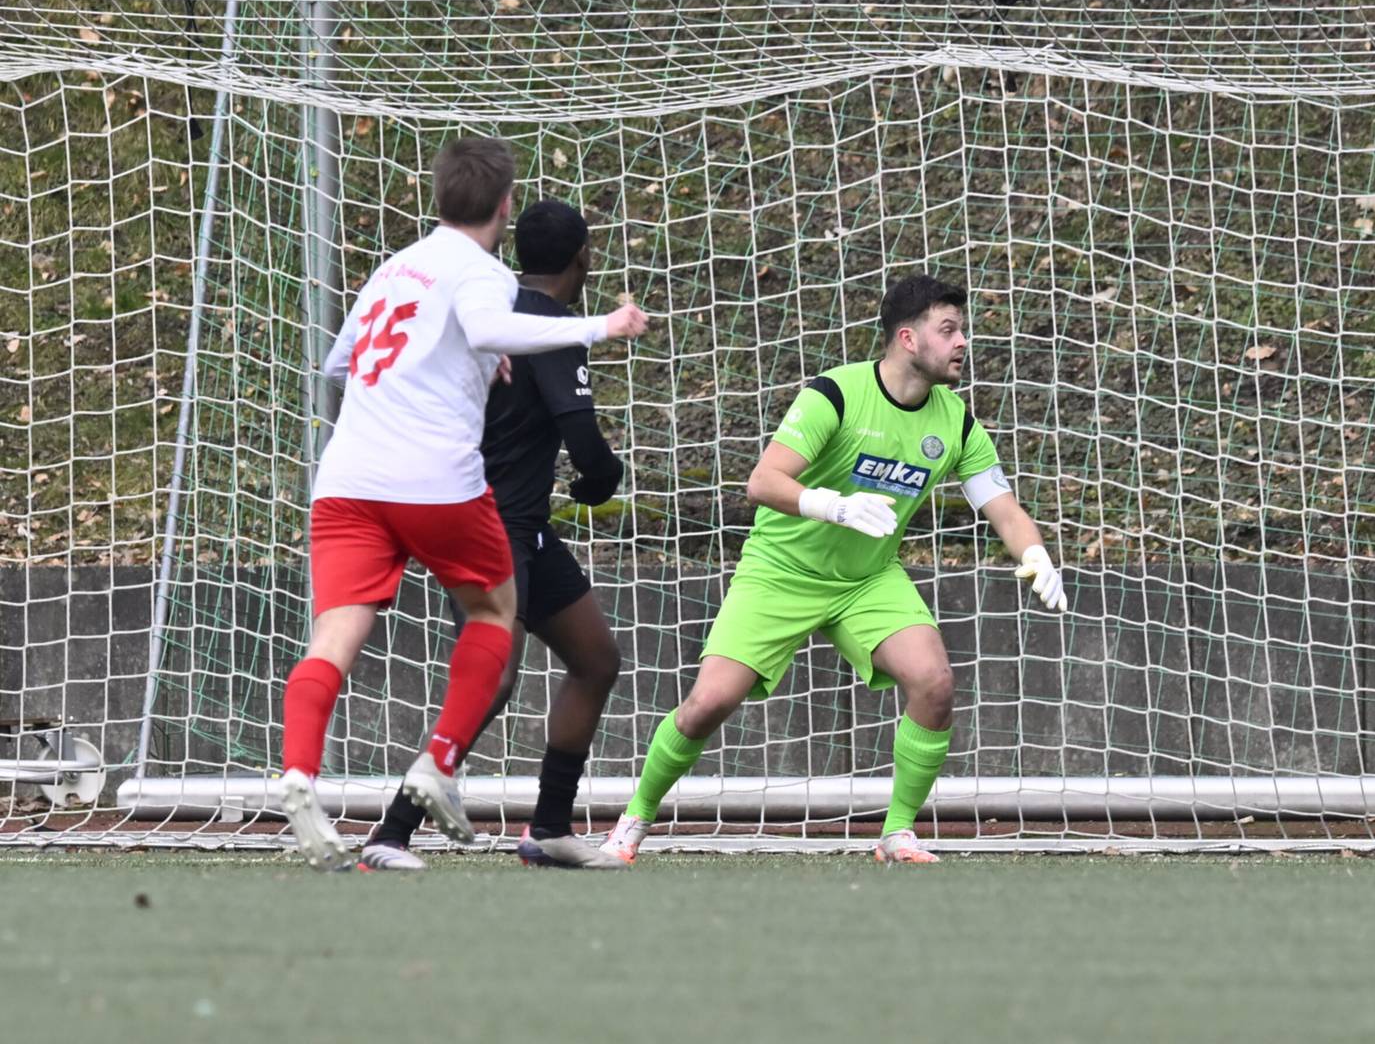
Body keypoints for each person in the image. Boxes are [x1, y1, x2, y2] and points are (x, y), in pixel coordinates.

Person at [601, 273, 1067, 866]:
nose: (962, 342)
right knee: (708, 704)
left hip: (867, 579)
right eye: (947, 330)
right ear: (907, 338)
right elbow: (762, 482)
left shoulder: (958, 423)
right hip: (780, 570)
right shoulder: (836, 395)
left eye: (962, 330)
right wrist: (834, 505)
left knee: (935, 683)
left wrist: (1034, 554)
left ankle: (897, 833)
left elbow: (1002, 507)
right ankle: (634, 818)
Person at [276, 138, 648, 871]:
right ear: (502, 207)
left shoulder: (397, 270)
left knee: (594, 656)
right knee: (494, 650)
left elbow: (340, 362)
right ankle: (399, 820)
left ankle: (541, 828)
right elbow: (494, 339)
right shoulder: (495, 291)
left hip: (359, 482)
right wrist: (600, 327)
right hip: (455, 495)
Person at [360, 199, 632, 871]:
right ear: (583, 259)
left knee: (596, 659)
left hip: (520, 528)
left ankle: (548, 828)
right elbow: (586, 447)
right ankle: (391, 833)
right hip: (485, 527)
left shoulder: (489, 311)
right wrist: (599, 483)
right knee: (496, 675)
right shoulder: (551, 326)